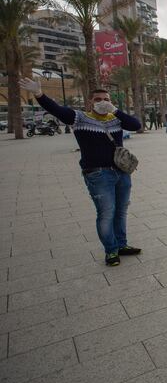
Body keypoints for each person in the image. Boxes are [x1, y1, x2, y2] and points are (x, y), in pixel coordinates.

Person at [19, 77, 142, 266]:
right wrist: (39, 94)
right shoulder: (79, 118)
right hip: (98, 174)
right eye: (98, 99)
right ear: (90, 102)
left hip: (121, 171)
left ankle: (122, 245)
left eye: (106, 99)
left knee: (121, 211)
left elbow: (135, 125)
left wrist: (115, 110)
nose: (102, 102)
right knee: (106, 213)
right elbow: (56, 110)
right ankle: (111, 250)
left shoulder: (115, 119)